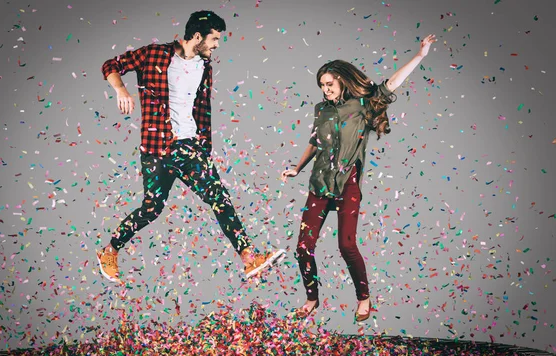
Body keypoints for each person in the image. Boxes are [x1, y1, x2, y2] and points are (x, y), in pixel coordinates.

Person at [97, 10, 285, 284]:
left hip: (190, 146)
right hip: (156, 148)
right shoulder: (153, 54)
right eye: (214, 39)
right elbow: (110, 65)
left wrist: (203, 145)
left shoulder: (204, 66)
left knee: (219, 198)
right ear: (197, 36)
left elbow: (201, 108)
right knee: (151, 209)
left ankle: (248, 258)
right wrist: (121, 90)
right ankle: (110, 250)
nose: (216, 45)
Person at [281, 34, 437, 322]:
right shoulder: (321, 110)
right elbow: (315, 142)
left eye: (329, 84)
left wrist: (420, 56)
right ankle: (311, 299)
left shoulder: (363, 105)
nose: (325, 89)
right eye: (322, 85)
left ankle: (363, 297)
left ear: (342, 81)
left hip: (347, 185)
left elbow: (391, 84)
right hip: (319, 185)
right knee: (302, 247)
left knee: (347, 246)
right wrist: (297, 168)